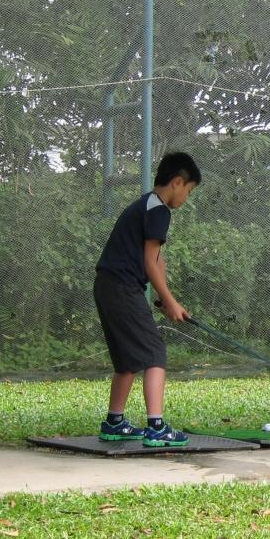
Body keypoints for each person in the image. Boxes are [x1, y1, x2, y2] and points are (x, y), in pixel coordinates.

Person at [93, 152, 200, 447]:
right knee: (154, 352)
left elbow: (157, 259)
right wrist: (171, 301)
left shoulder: (147, 204)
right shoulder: (159, 210)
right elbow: (149, 263)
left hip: (107, 285)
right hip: (122, 287)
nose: (186, 198)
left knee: (127, 359)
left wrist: (166, 300)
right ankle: (156, 427)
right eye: (189, 191)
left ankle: (114, 422)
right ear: (177, 182)